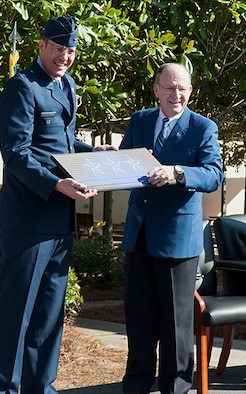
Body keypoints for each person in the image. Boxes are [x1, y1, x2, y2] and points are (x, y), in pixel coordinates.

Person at [0, 16, 116, 394]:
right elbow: (17, 153)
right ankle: (2, 390)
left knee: (47, 315)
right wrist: (57, 184)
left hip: (59, 218)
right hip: (28, 217)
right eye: (58, 48)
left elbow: (61, 145)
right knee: (17, 313)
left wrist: (95, 153)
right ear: (41, 45)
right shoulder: (22, 87)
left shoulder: (67, 84)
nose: (65, 56)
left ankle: (40, 386)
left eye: (71, 50)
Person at [120, 63, 224, 394]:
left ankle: (174, 388)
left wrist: (177, 172)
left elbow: (213, 175)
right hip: (139, 235)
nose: (175, 95)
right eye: (169, 88)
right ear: (155, 89)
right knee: (139, 322)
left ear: (190, 91)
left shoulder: (202, 127)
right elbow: (124, 163)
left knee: (176, 326)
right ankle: (136, 385)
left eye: (182, 88)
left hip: (177, 240)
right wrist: (124, 162)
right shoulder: (139, 121)